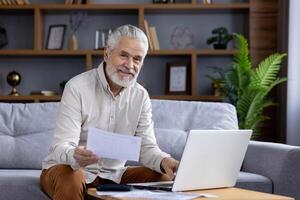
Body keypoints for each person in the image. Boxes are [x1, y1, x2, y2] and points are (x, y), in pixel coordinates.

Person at [40, 24, 179, 200]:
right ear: (107, 54)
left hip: (115, 175)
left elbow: (146, 148)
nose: (130, 65)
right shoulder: (77, 87)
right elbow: (61, 146)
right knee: (73, 176)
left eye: (137, 59)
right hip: (68, 169)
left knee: (162, 178)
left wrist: (166, 161)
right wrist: (75, 155)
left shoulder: (141, 96)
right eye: (123, 55)